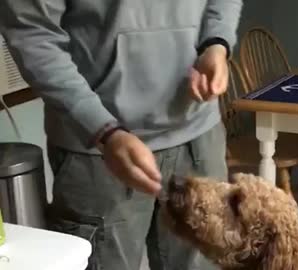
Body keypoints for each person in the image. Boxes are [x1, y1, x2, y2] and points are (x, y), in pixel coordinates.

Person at [0, 1, 243, 269]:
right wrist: (102, 130)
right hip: (96, 152)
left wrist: (216, 44)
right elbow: (32, 34)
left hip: (198, 137)